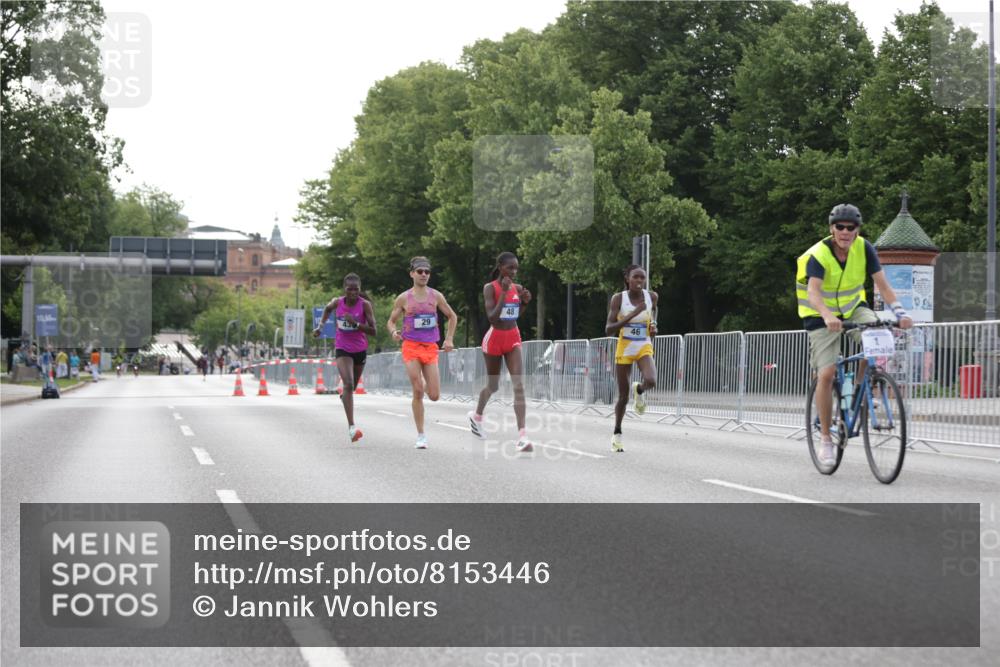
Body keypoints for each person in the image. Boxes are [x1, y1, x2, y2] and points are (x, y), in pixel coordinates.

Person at [796, 203, 913, 466]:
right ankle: (826, 438)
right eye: (840, 227)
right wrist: (827, 315)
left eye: (851, 227)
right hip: (819, 315)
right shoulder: (819, 255)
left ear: (857, 230)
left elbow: (883, 285)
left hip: (852, 309)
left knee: (879, 339)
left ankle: (864, 387)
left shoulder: (865, 248)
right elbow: (813, 292)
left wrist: (900, 312)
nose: (845, 232)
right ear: (832, 229)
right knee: (826, 374)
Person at [386, 257, 458, 449]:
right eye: (420, 271)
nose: (424, 274)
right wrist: (393, 332)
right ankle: (421, 435)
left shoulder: (436, 296)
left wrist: (449, 338)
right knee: (417, 390)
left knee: (434, 395)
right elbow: (391, 321)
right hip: (410, 346)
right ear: (412, 274)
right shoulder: (403, 298)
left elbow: (452, 316)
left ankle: (425, 383)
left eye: (427, 271)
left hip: (430, 347)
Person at [467, 251, 534, 452]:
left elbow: (513, 316)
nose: (513, 272)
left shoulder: (518, 288)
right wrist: (504, 293)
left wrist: (524, 303)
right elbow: (493, 318)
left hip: (512, 337)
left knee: (518, 385)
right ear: (500, 267)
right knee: (493, 385)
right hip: (494, 338)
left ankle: (522, 436)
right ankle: (477, 416)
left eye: (516, 268)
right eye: (510, 267)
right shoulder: (490, 288)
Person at [314, 273, 377, 443]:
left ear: (359, 290)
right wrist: (320, 327)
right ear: (345, 289)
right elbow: (327, 310)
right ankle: (352, 428)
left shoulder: (365, 305)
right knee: (348, 384)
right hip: (342, 348)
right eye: (350, 290)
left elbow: (374, 331)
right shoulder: (337, 302)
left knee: (353, 387)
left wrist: (356, 324)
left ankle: (345, 398)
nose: (353, 293)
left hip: (360, 349)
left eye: (356, 290)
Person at [605, 264, 658, 452]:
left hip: (643, 345)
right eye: (635, 277)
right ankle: (617, 433)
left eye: (642, 278)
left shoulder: (652, 297)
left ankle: (641, 390)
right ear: (627, 278)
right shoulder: (618, 299)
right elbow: (609, 329)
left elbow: (651, 321)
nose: (639, 281)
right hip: (625, 346)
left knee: (651, 380)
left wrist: (653, 329)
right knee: (623, 396)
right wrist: (633, 314)